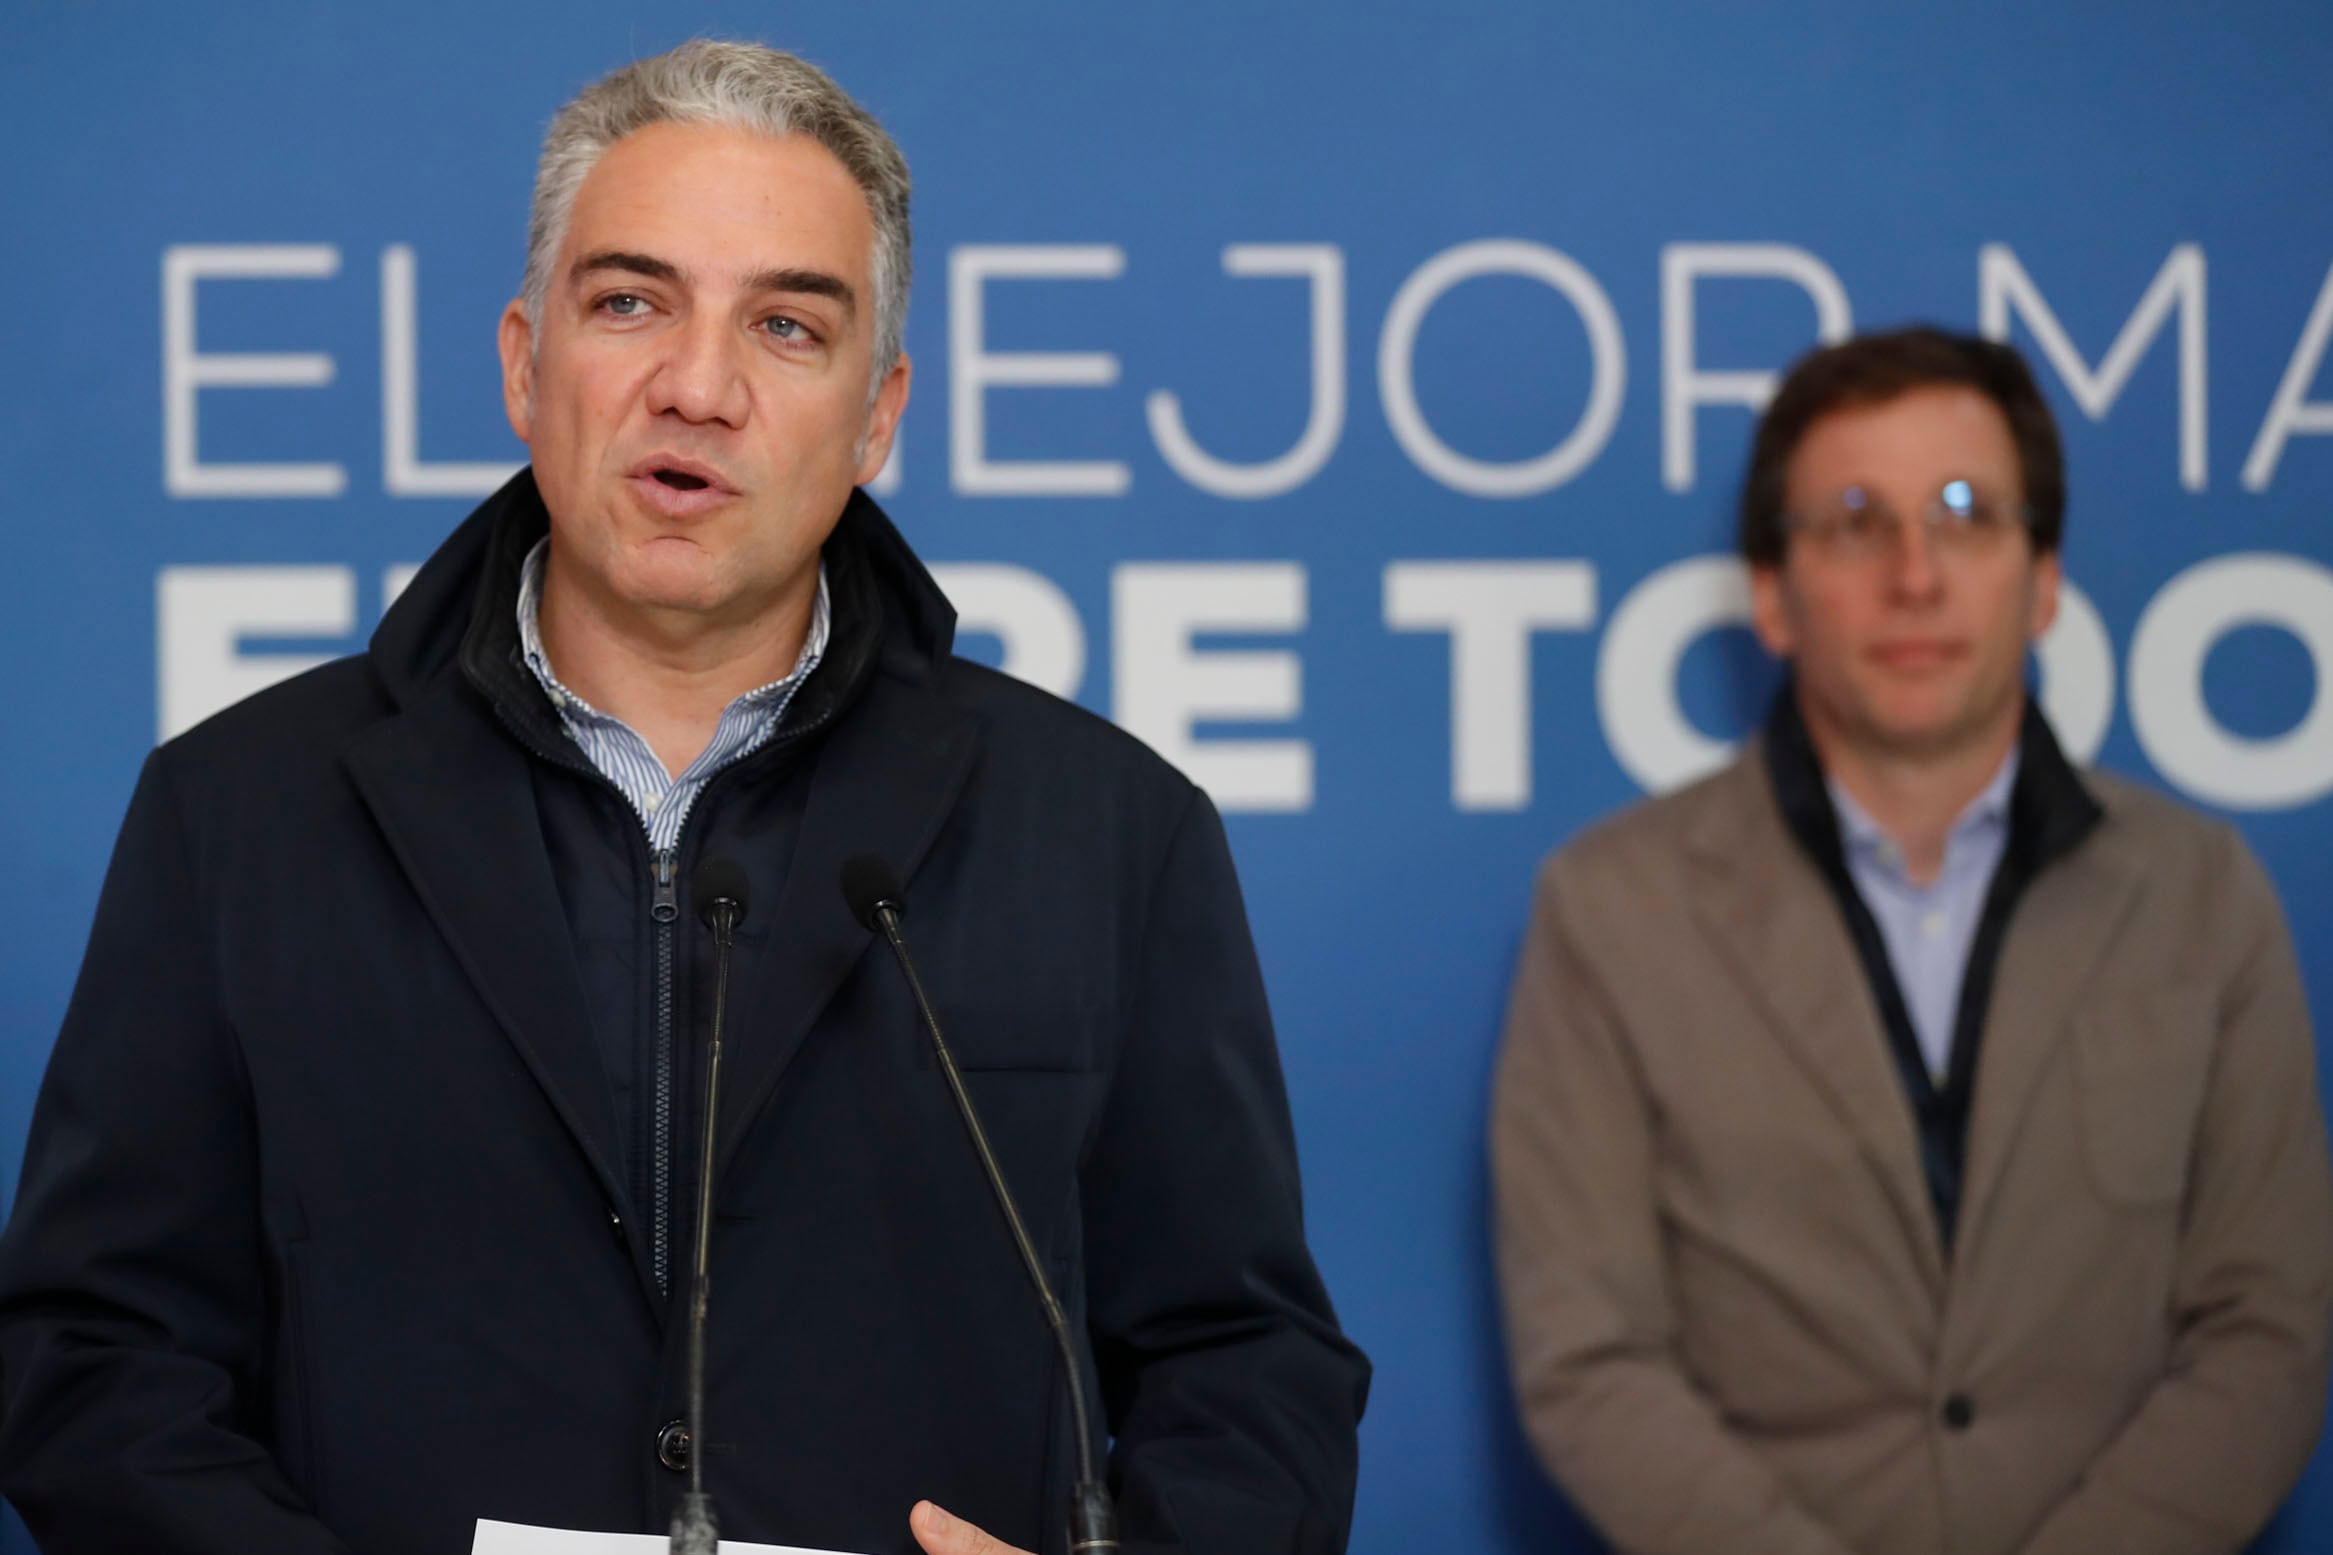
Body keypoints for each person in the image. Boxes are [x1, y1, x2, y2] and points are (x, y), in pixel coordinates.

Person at [0, 41, 1367, 1555]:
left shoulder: (1111, 831)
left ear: (877, 415)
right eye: (631, 301)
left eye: (786, 325)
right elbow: (92, 1358)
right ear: (526, 363)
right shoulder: (240, 809)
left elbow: (1251, 1371)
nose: (698, 387)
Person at [1491, 326, 2333, 1555]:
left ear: (2041, 578)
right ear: (1771, 594)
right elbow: (1590, 1361)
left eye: (1964, 513)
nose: (1914, 572)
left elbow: (2268, 1327)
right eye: (1851, 520)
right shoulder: (1608, 908)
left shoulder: (2201, 893)